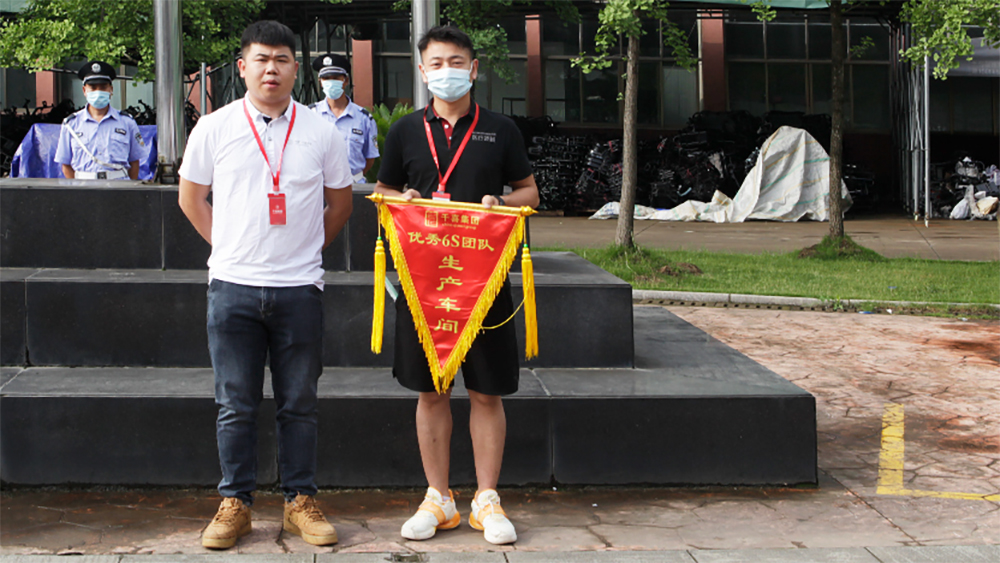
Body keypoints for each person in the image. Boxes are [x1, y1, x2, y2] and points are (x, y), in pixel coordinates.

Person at [177, 20, 354, 550]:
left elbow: (340, 203)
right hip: (232, 287)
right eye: (261, 59)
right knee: (235, 402)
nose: (271, 69)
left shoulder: (321, 131)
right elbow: (191, 198)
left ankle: (300, 501)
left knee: (299, 401)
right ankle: (236, 503)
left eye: (281, 59)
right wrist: (229, 247)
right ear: (242, 67)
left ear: (296, 69)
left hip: (299, 288)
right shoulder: (214, 127)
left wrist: (305, 250)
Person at [373, 25, 540, 546]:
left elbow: (529, 191)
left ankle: (487, 499)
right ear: (422, 72)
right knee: (432, 390)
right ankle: (439, 498)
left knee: (486, 392)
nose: (447, 71)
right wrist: (407, 204)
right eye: (436, 63)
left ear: (474, 69)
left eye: (457, 62)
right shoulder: (404, 131)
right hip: (424, 285)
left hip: (483, 281)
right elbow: (383, 191)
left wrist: (500, 204)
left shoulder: (500, 130)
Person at [54, 61, 146, 180]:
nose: (98, 92)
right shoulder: (71, 124)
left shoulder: (127, 122)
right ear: (84, 90)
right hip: (84, 186)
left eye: (103, 87)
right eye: (93, 87)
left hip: (119, 186)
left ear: (111, 89)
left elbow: (134, 163)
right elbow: (65, 165)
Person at [309, 53, 379, 183]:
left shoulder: (363, 118)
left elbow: (370, 158)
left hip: (354, 185)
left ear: (345, 81)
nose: (331, 82)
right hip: (319, 186)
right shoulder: (311, 115)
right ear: (320, 82)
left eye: (335, 78)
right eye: (326, 78)